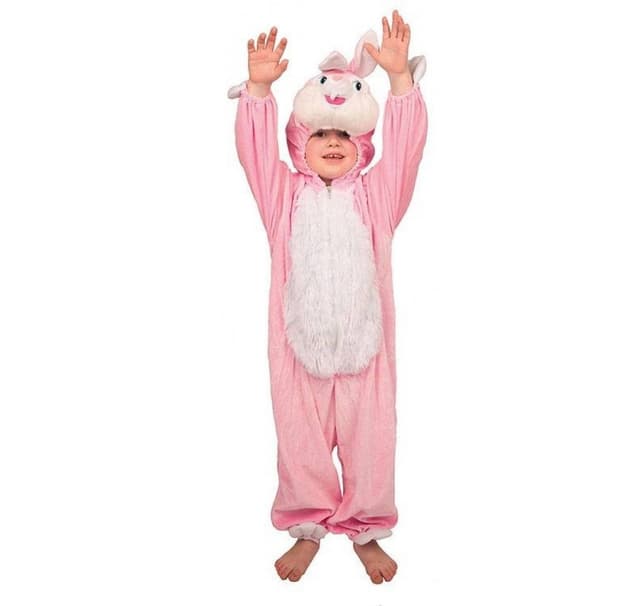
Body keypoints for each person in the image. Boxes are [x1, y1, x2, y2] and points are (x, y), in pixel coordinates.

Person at [228, 9, 428, 584]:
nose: (333, 142)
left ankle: (366, 527)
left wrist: (400, 82)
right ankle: (308, 524)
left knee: (372, 439)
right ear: (300, 141)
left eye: (343, 134)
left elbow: (406, 153)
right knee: (300, 440)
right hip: (299, 350)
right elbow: (255, 156)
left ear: (361, 144)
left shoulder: (377, 199)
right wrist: (259, 92)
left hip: (367, 352)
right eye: (320, 133)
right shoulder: (283, 198)